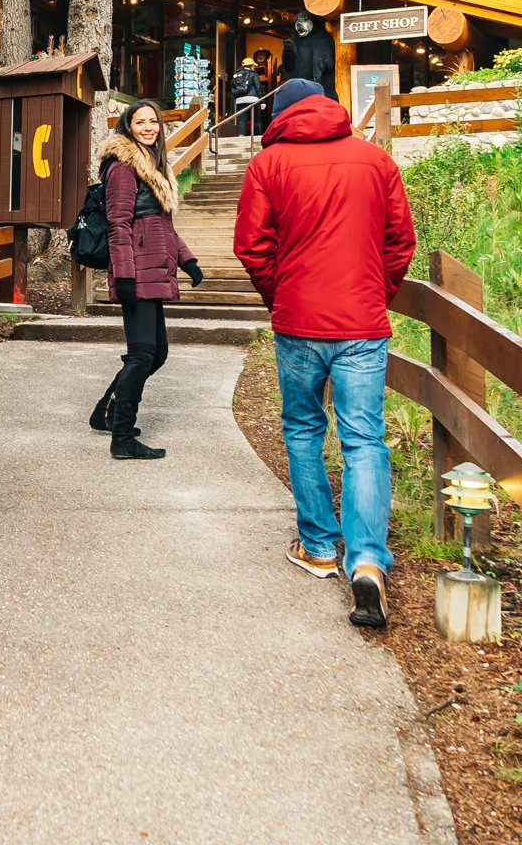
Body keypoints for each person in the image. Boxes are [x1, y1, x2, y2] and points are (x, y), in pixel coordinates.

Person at [233, 79, 415, 629]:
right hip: (361, 322)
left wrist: (281, 293)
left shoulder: (268, 164)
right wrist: (373, 293)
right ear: (330, 107)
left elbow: (251, 246)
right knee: (364, 438)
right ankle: (366, 561)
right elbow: (399, 241)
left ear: (282, 114)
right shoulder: (375, 160)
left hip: (298, 320)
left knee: (303, 430)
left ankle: (317, 544)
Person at [89, 99, 201, 460]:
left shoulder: (154, 166)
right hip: (136, 272)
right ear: (128, 126)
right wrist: (122, 275)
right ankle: (122, 437)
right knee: (142, 355)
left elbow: (162, 226)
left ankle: (105, 411)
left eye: (154, 121)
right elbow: (118, 224)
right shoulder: (124, 167)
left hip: (154, 269)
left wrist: (188, 261)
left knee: (157, 354)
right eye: (141, 122)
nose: (149, 127)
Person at [229, 57, 264, 139]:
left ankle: (241, 136)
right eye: (253, 66)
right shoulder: (253, 74)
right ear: (251, 66)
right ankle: (258, 136)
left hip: (240, 100)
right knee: (256, 119)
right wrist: (263, 101)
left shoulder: (236, 75)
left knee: (242, 119)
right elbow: (258, 88)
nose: (254, 67)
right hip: (253, 100)